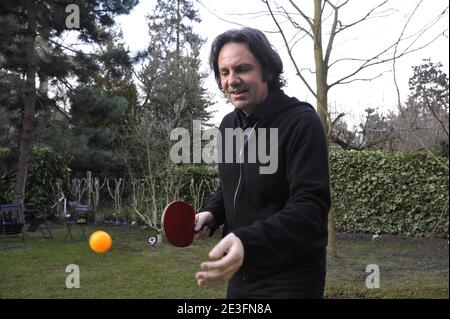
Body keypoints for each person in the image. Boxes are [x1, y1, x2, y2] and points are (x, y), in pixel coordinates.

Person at [194, 27, 331, 299]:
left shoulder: (301, 123)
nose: (232, 80)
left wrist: (248, 240)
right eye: (224, 72)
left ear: (267, 71)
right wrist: (211, 214)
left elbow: (310, 208)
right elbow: (233, 186)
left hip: (290, 278)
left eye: (242, 69)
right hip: (241, 273)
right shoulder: (229, 126)